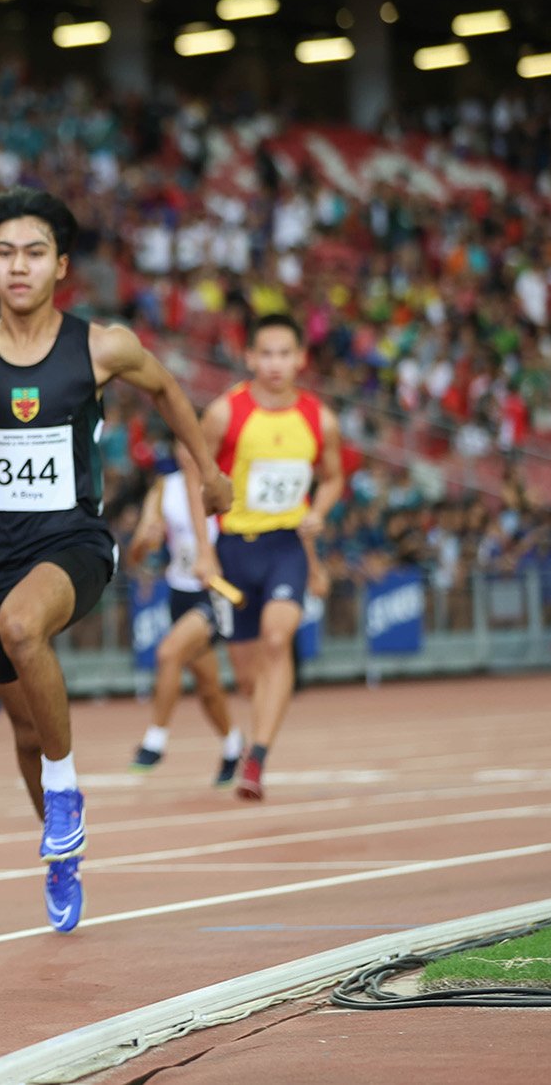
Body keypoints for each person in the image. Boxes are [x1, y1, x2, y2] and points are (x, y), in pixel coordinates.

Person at [0, 188, 229, 933]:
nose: (18, 267)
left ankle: (66, 793)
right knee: (23, 731)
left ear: (60, 267)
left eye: (35, 253)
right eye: (5, 253)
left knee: (26, 627)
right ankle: (61, 853)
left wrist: (206, 468)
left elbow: (168, 388)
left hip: (73, 541)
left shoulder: (100, 345)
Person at [195, 312, 344, 802]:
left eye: (286, 354)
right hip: (235, 548)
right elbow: (195, 474)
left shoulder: (319, 418)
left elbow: (333, 476)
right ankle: (255, 741)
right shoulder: (224, 413)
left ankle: (257, 757)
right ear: (250, 357)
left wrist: (318, 512)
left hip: (286, 546)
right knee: (246, 676)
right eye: (267, 354)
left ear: (301, 359)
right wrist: (203, 550)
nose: (276, 364)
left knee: (279, 639)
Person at [125, 465, 242, 784]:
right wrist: (147, 541)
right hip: (180, 594)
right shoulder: (165, 487)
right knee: (208, 688)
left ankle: (155, 741)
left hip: (214, 594)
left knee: (168, 653)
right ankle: (233, 746)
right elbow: (134, 557)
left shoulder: (228, 478)